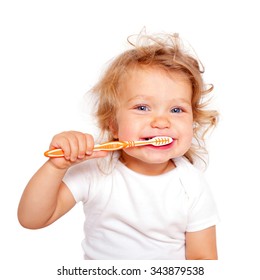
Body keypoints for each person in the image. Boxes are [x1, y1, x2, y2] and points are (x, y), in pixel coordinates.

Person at [18, 32, 219, 260]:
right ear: (113, 125)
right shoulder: (96, 170)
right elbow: (32, 219)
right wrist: (56, 167)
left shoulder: (191, 184)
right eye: (142, 107)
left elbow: (203, 260)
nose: (162, 122)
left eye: (176, 110)